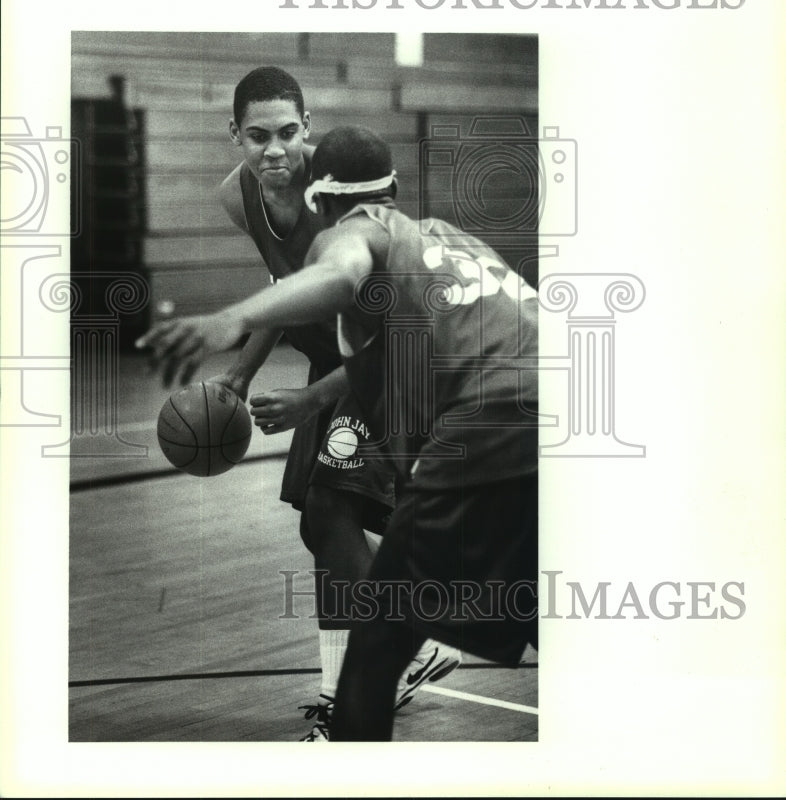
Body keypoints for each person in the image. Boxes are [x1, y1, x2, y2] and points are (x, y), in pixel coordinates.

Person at [138, 124, 538, 742]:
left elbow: (339, 275)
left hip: (494, 423)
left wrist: (230, 318)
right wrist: (307, 400)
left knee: (377, 636)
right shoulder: (445, 237)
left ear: (320, 198)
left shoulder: (351, 232)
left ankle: (345, 743)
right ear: (393, 186)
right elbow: (390, 353)